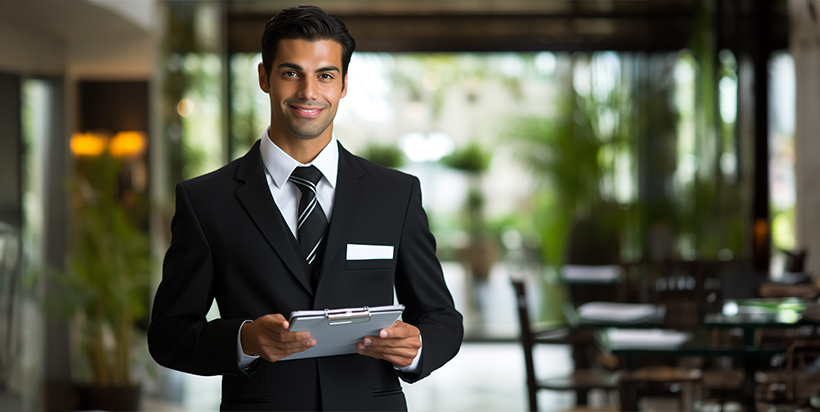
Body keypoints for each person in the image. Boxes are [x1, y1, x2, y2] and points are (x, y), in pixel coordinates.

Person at [147, 5, 463, 411]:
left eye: (325, 75)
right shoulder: (207, 200)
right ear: (265, 77)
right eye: (291, 72)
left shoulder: (395, 194)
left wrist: (418, 346)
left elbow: (442, 318)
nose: (309, 92)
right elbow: (168, 335)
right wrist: (245, 339)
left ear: (344, 84)